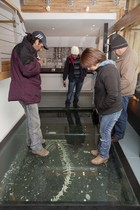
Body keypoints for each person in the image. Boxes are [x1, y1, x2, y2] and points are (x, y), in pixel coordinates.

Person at [8, 31, 49, 157]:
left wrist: (36, 60)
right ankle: (36, 147)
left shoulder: (26, 49)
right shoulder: (23, 49)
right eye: (42, 45)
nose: (42, 48)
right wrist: (38, 64)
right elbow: (28, 70)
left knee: (31, 119)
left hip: (27, 89)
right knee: (34, 120)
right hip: (26, 90)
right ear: (36, 41)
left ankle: (32, 140)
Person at [80, 48, 122, 165]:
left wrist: (101, 108)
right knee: (103, 131)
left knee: (105, 133)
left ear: (95, 60)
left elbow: (113, 95)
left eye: (88, 66)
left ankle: (104, 156)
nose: (88, 69)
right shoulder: (102, 69)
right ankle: (100, 150)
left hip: (110, 110)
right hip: (105, 109)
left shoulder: (108, 71)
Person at [110, 34, 139, 142]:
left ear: (120, 47)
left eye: (114, 50)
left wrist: (112, 89)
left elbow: (126, 80)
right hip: (120, 90)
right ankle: (115, 131)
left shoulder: (130, 56)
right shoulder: (126, 55)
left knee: (120, 114)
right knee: (117, 113)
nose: (113, 52)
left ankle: (118, 135)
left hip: (123, 91)